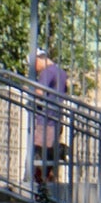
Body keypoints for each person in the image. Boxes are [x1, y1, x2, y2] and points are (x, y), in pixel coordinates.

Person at [32, 49, 68, 185]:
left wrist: (29, 90)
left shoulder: (47, 73)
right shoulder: (62, 73)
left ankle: (39, 182)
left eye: (33, 64)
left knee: (39, 150)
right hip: (57, 117)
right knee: (49, 151)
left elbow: (40, 92)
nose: (34, 69)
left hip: (45, 119)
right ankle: (49, 175)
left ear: (39, 59)